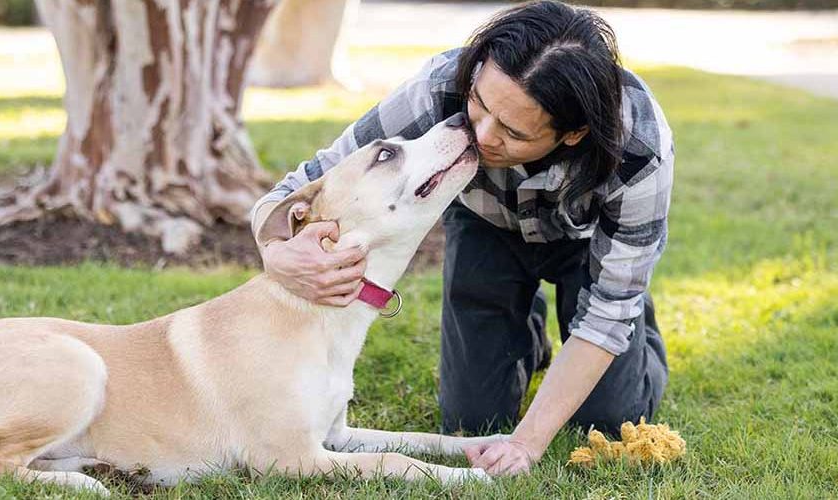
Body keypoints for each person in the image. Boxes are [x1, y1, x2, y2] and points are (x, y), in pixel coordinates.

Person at [249, 0, 672, 477]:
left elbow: (607, 318)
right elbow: (298, 187)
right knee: (474, 421)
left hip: (589, 245)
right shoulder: (438, 88)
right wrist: (277, 254)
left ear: (573, 134)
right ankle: (524, 335)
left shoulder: (640, 148)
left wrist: (528, 444)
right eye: (480, 104)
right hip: (488, 227)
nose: (478, 133)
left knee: (608, 419)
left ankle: (642, 341)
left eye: (511, 130)